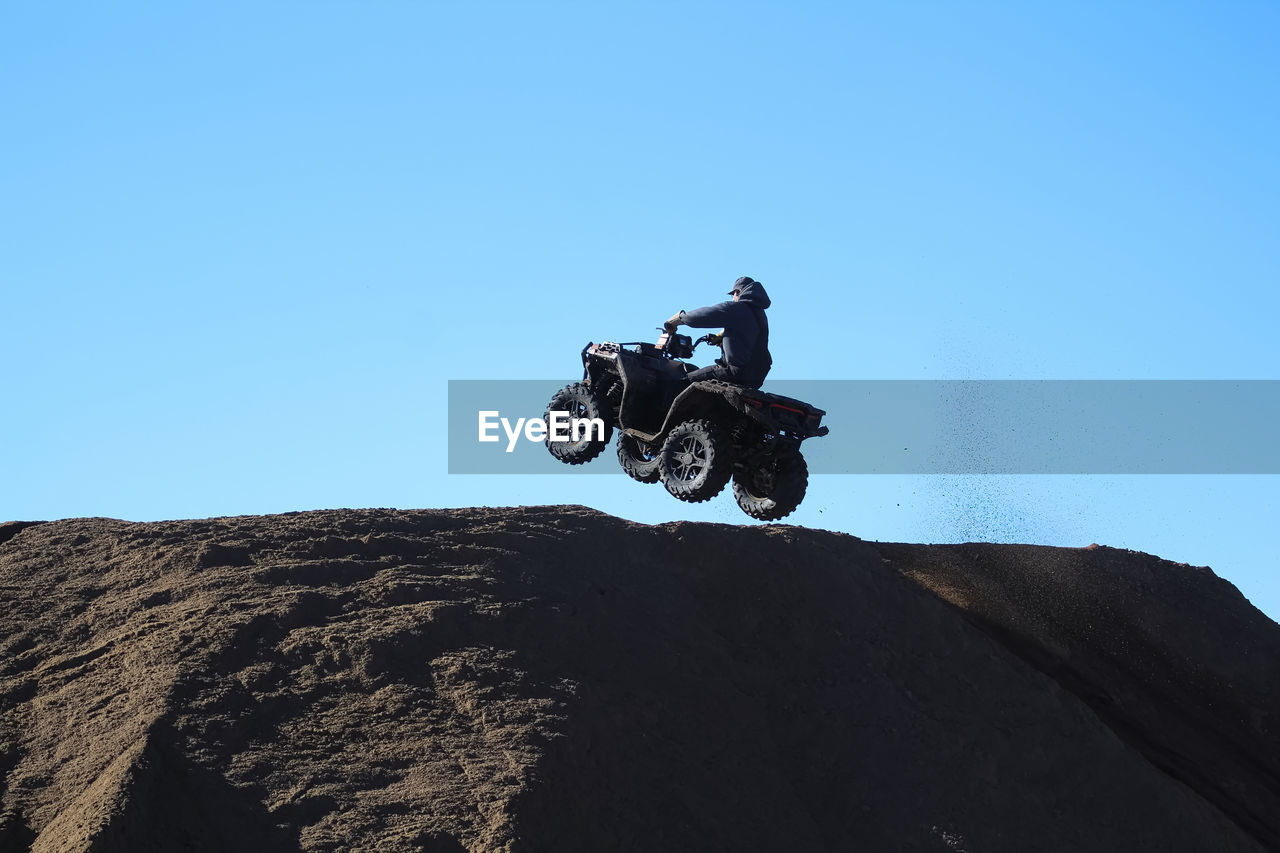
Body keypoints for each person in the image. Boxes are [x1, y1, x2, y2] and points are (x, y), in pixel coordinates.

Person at [665, 276, 773, 388]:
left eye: (733, 295)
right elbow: (747, 336)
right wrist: (721, 338)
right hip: (756, 377)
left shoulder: (736, 308)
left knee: (680, 382)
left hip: (735, 372)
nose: (733, 299)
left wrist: (680, 318)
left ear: (738, 292)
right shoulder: (760, 315)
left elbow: (702, 316)